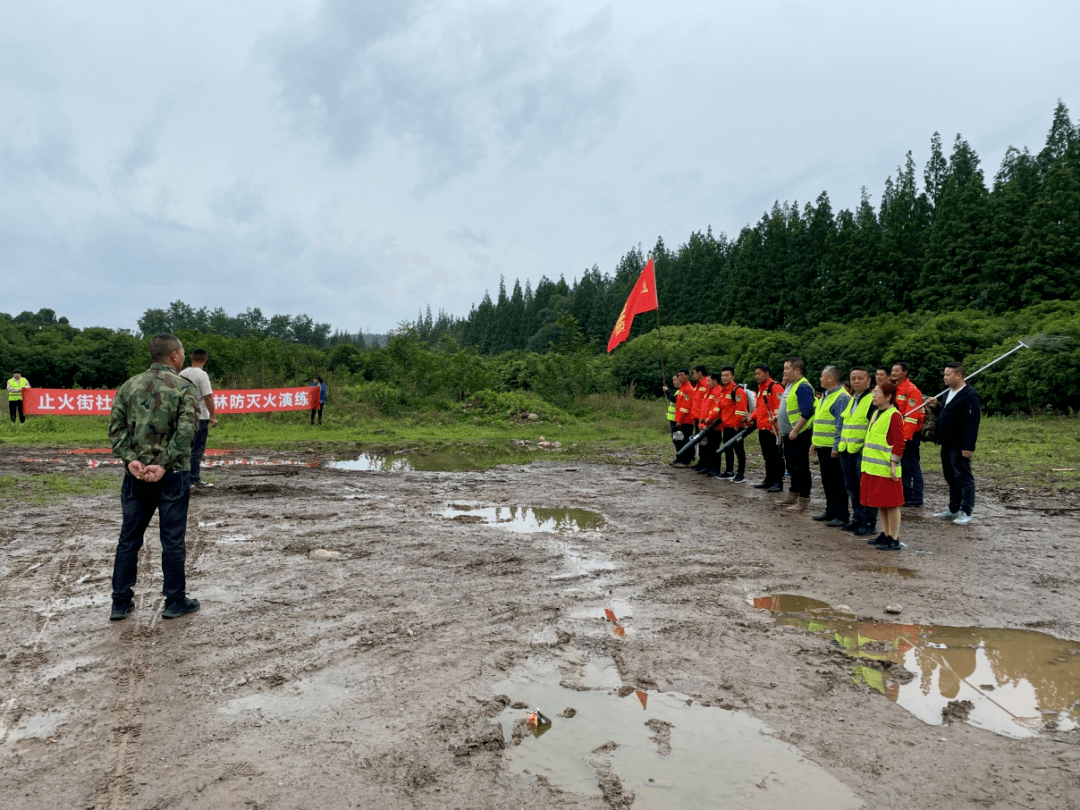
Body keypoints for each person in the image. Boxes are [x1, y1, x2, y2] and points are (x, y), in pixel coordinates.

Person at [108, 334, 200, 621]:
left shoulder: (129, 386)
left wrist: (132, 459)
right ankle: (174, 601)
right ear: (173, 356)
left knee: (129, 539)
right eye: (182, 351)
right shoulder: (184, 388)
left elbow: (115, 428)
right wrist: (162, 464)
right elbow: (187, 432)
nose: (183, 355)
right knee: (172, 540)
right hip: (171, 476)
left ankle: (120, 603)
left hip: (135, 476)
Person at [927, 362, 981, 525]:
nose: (944, 377)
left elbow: (972, 422)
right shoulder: (948, 393)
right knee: (950, 477)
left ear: (958, 375)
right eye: (944, 374)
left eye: (948, 374)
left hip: (959, 444)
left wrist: (968, 447)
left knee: (963, 477)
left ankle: (966, 511)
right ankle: (953, 508)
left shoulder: (970, 394)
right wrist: (936, 407)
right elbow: (946, 414)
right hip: (946, 442)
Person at [860, 380, 906, 551]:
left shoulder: (893, 415)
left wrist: (894, 463)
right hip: (873, 468)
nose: (873, 395)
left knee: (892, 504)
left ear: (888, 396)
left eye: (877, 392)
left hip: (886, 468)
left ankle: (893, 538)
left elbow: (899, 443)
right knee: (881, 503)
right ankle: (885, 533)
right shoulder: (876, 413)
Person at [837, 366, 878, 537]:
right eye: (853, 378)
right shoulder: (853, 399)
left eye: (860, 378)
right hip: (847, 450)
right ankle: (857, 518)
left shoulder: (872, 400)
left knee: (866, 489)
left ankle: (869, 522)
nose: (856, 381)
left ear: (869, 380)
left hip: (861, 452)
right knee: (852, 488)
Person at [810, 365, 851, 526]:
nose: (820, 379)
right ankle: (830, 510)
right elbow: (819, 420)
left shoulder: (841, 397)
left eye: (822, 376)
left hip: (831, 448)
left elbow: (840, 424)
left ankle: (842, 515)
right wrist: (814, 442)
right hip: (821, 445)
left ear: (831, 378)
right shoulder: (825, 396)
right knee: (827, 481)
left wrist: (836, 446)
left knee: (837, 482)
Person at [776, 357, 816, 512]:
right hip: (789, 434)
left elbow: (807, 411)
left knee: (801, 468)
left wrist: (795, 430)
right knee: (792, 466)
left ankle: (803, 500)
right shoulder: (791, 385)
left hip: (799, 435)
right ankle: (793, 494)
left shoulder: (803, 387)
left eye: (787, 368)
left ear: (797, 370)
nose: (784, 371)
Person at [179, 349, 219, 489]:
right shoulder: (202, 375)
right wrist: (213, 416)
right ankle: (194, 479)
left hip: (183, 417)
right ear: (205, 359)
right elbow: (207, 396)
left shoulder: (182, 373)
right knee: (196, 450)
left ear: (191, 358)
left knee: (184, 449)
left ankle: (183, 478)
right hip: (200, 417)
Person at [891, 362, 925, 507]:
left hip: (909, 435)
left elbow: (912, 417)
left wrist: (905, 437)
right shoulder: (895, 389)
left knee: (912, 466)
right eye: (892, 370)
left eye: (896, 371)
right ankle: (906, 494)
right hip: (898, 434)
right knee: (901, 466)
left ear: (905, 373)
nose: (893, 373)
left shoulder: (911, 390)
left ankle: (917, 496)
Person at [749, 365, 785, 491]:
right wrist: (752, 417)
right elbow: (760, 408)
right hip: (762, 427)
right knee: (767, 456)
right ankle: (769, 479)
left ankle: (778, 482)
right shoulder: (761, 388)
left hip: (772, 429)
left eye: (758, 374)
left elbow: (779, 409)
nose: (756, 376)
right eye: (756, 374)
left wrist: (775, 427)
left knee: (776, 457)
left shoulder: (775, 387)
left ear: (766, 373)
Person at [717, 366, 750, 482]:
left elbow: (741, 409)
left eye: (727, 375)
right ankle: (729, 471)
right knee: (727, 449)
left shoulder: (737, 390)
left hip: (736, 427)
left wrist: (737, 424)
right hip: (726, 426)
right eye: (723, 375)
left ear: (732, 376)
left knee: (739, 450)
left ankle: (740, 474)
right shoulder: (723, 390)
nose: (724, 377)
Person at [696, 372, 724, 475]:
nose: (707, 382)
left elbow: (716, 409)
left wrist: (709, 419)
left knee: (714, 447)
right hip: (706, 424)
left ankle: (715, 468)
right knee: (707, 447)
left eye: (709, 380)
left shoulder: (718, 392)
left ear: (715, 381)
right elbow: (705, 408)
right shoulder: (709, 391)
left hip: (714, 425)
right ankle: (708, 466)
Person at [669, 370, 695, 466]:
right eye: (678, 376)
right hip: (679, 419)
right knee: (678, 439)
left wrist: (679, 420)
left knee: (684, 440)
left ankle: (686, 460)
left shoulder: (688, 389)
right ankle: (679, 458)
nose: (680, 378)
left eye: (682, 375)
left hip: (686, 420)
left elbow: (685, 407)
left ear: (687, 376)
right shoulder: (682, 389)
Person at [688, 366, 710, 469]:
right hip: (697, 417)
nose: (693, 375)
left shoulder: (706, 383)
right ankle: (701, 462)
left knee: (704, 441)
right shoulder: (698, 385)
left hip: (704, 418)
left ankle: (705, 462)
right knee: (699, 441)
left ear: (700, 373)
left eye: (694, 373)